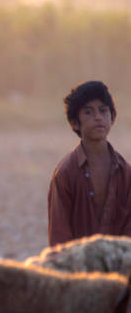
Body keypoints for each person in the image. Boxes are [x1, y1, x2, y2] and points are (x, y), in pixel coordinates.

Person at [48, 81, 131, 246]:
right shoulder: (66, 172)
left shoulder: (125, 171)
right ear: (74, 123)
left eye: (103, 110)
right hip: (78, 265)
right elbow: (59, 231)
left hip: (119, 262)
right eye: (88, 112)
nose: (98, 117)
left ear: (112, 118)